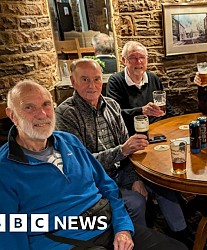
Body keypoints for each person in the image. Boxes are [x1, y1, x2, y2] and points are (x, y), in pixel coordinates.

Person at [0, 80, 187, 250]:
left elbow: (107, 186)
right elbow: (8, 227)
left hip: (106, 225)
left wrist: (122, 227)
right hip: (60, 242)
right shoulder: (5, 167)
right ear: (12, 115)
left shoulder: (69, 142)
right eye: (29, 107)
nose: (41, 114)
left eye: (46, 104)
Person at [55, 59, 192, 246]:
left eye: (96, 79)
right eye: (84, 79)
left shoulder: (111, 105)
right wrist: (122, 151)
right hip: (95, 182)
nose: (92, 85)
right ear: (73, 81)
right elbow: (82, 164)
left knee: (162, 182)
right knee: (136, 201)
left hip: (122, 172)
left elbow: (128, 151)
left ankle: (181, 235)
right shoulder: (65, 113)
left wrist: (133, 178)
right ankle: (138, 242)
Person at [106, 41, 174, 135]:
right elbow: (114, 114)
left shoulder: (153, 78)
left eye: (142, 57)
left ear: (147, 59)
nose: (139, 61)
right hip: (133, 135)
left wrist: (172, 130)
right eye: (133, 58)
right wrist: (141, 111)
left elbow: (167, 110)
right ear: (124, 60)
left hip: (159, 132)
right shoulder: (115, 81)